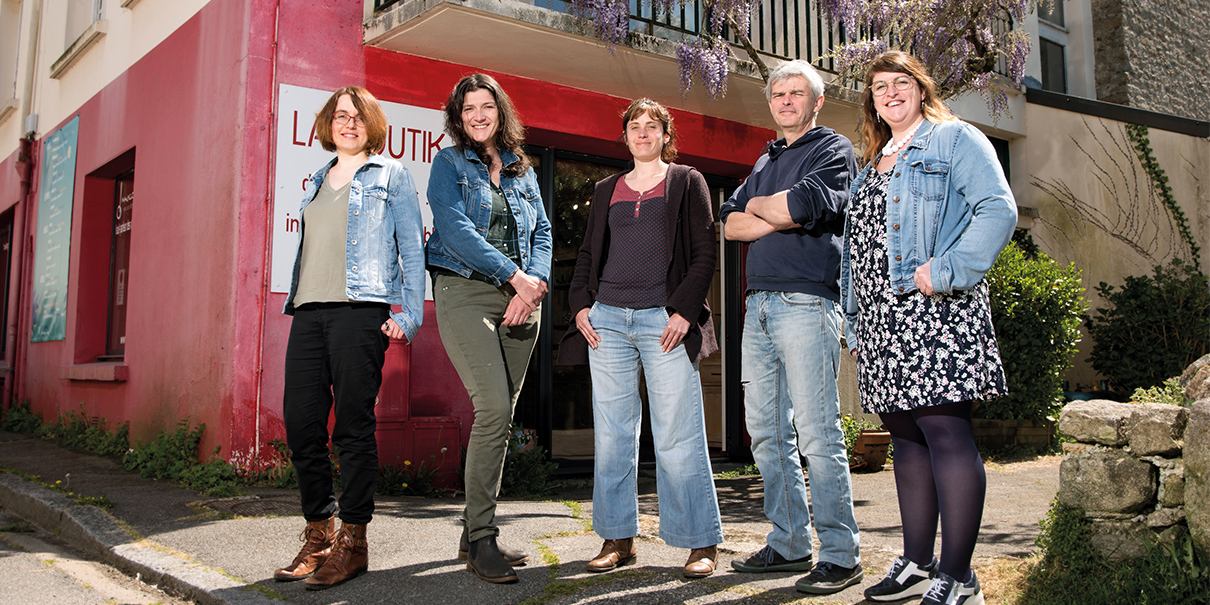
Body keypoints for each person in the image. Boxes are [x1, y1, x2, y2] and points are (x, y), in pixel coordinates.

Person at [843, 50, 1016, 605]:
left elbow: (998, 209)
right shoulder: (874, 158)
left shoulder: (954, 139)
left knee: (945, 434)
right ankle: (918, 563)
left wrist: (947, 271)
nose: (890, 93)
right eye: (878, 87)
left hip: (937, 313)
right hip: (881, 319)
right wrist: (854, 316)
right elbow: (858, 248)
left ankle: (960, 575)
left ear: (921, 88)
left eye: (901, 83)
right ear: (871, 99)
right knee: (907, 439)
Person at [558, 98, 724, 578]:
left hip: (663, 321)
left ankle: (700, 541)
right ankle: (617, 538)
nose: (643, 133)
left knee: (678, 433)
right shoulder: (607, 188)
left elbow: (702, 255)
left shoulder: (687, 182)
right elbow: (588, 255)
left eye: (653, 126)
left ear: (665, 135)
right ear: (625, 135)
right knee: (612, 436)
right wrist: (581, 306)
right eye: (635, 126)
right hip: (607, 320)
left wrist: (683, 313)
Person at [719, 59, 863, 596]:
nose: (785, 101)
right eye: (777, 93)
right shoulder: (765, 158)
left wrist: (769, 208)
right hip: (757, 308)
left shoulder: (832, 150)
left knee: (818, 435)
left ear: (815, 101)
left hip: (807, 302)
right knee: (766, 434)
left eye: (796, 93)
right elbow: (730, 224)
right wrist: (771, 209)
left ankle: (842, 554)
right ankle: (788, 542)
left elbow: (803, 205)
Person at [275, 85, 425, 590]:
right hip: (308, 311)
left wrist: (408, 315)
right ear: (328, 124)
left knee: (353, 428)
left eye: (358, 116)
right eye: (341, 115)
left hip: (360, 313)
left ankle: (354, 541)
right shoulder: (317, 179)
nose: (349, 123)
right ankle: (319, 534)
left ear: (372, 125)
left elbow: (412, 247)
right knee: (301, 424)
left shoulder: (391, 175)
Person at [426, 73, 552, 585]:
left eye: (487, 106)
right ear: (458, 118)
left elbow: (542, 229)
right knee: (494, 407)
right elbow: (454, 228)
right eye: (468, 108)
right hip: (466, 290)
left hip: (523, 300)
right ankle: (482, 538)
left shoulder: (523, 171)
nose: (478, 115)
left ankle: (474, 528)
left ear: (501, 112)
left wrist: (534, 284)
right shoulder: (449, 164)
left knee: (501, 418)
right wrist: (515, 277)